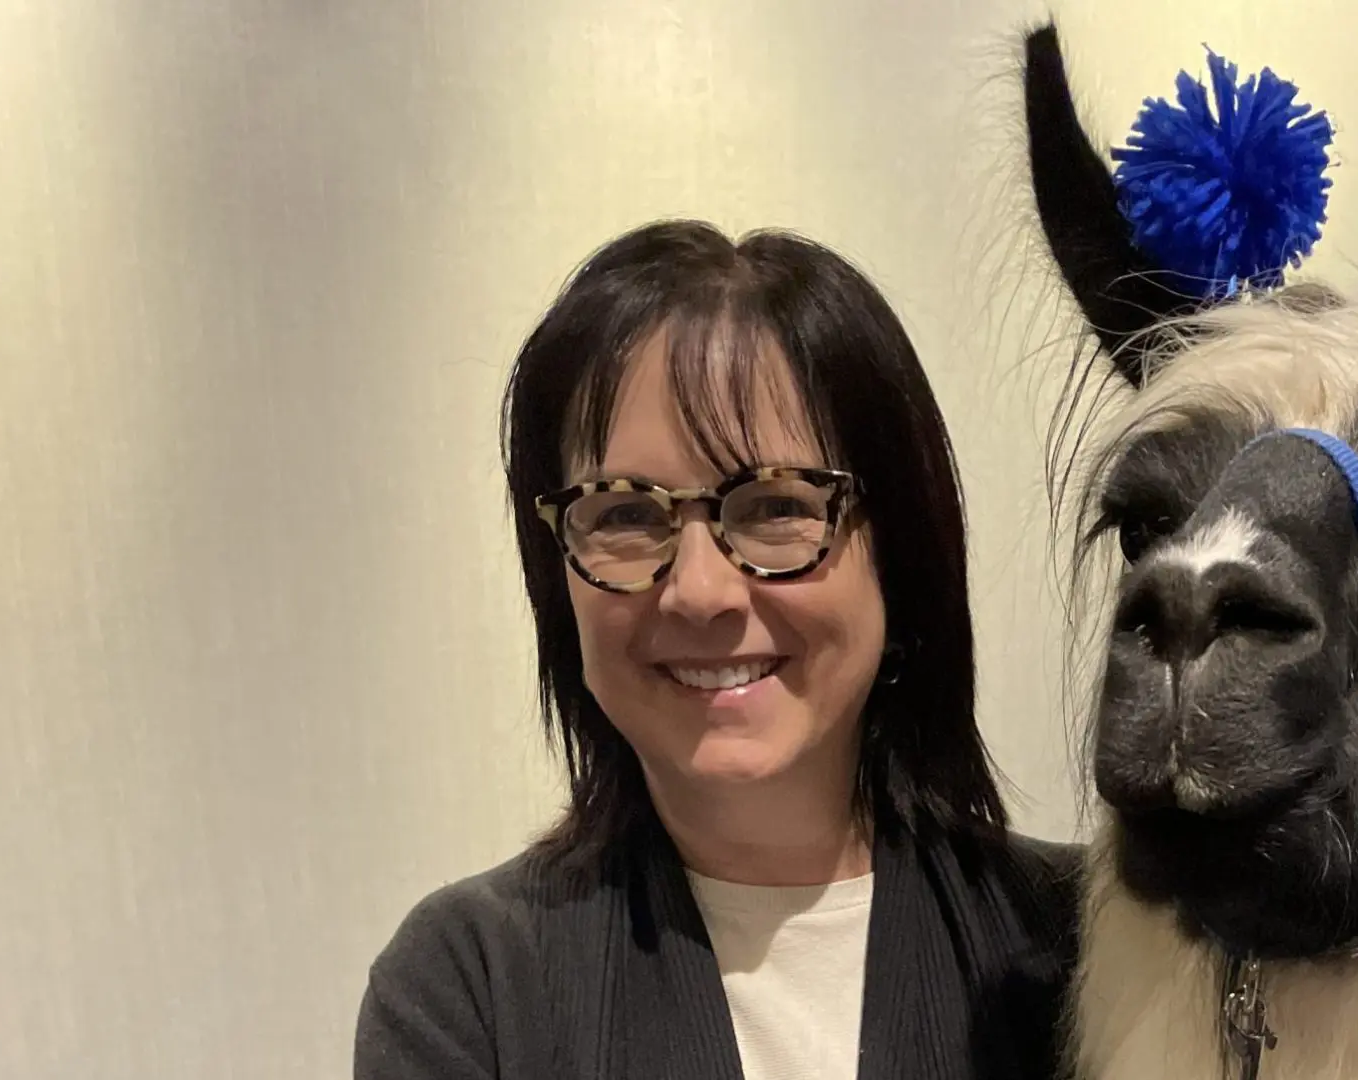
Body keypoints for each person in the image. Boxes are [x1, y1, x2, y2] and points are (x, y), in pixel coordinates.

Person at [352, 220, 1080, 1080]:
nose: (700, 591)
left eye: (776, 505)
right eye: (624, 513)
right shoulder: (473, 981)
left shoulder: (1085, 947)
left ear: (898, 549)